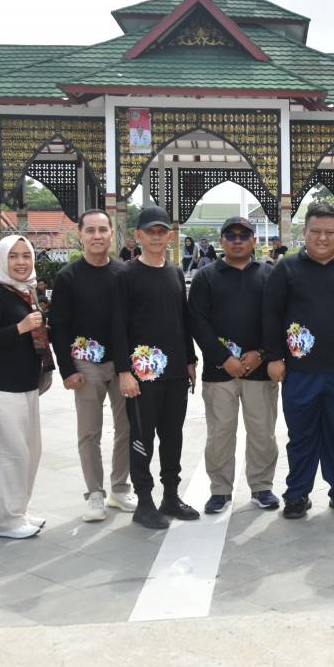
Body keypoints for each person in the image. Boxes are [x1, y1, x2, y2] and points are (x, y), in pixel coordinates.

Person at [263, 203, 334, 519]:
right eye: (316, 232)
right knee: (302, 436)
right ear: (304, 233)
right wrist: (275, 357)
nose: (323, 238)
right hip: (300, 371)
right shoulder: (287, 268)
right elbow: (271, 315)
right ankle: (297, 494)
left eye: (329, 232)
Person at [111, 206, 200, 530]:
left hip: (175, 372)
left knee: (172, 437)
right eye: (151, 232)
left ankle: (170, 496)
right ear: (138, 236)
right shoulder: (126, 275)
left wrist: (190, 360)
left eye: (162, 231)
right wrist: (124, 372)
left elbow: (183, 321)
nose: (157, 237)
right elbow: (117, 327)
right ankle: (144, 501)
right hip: (142, 375)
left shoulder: (175, 272)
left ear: (170, 235)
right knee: (142, 438)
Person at [48, 209, 136, 522]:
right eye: (90, 231)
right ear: (81, 235)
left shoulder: (124, 272)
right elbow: (57, 326)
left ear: (112, 234)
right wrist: (67, 369)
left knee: (127, 428)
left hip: (123, 364)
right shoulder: (68, 277)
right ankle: (95, 494)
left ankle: (120, 488)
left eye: (102, 230)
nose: (97, 236)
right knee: (89, 432)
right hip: (86, 363)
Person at [189, 217, 280, 514]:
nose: (237, 240)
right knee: (220, 434)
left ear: (254, 240)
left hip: (259, 370)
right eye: (231, 235)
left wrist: (263, 354)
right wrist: (222, 358)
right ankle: (220, 490)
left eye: (244, 235)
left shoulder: (269, 275)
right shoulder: (206, 276)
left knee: (262, 432)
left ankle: (262, 486)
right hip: (220, 372)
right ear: (222, 241)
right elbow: (198, 322)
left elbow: (279, 319)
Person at [0, 235, 54, 540]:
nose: (21, 262)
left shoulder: (25, 291)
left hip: (25, 384)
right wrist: (19, 328)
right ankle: (5, 522)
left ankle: (17, 512)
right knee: (9, 454)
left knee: (30, 451)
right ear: (1, 260)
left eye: (26, 256)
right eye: (13, 256)